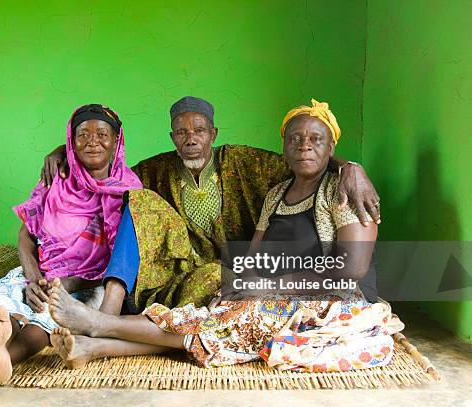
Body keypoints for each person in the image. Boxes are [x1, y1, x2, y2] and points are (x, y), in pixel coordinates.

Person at [44, 99, 403, 373]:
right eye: (295, 139)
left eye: (199, 130)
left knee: (229, 319)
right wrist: (67, 153)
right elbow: (110, 174)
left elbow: (351, 268)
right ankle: (100, 334)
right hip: (261, 287)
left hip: (328, 296)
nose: (304, 146)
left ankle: (100, 329)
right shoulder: (277, 192)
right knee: (217, 313)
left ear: (213, 134)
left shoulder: (337, 189)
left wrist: (352, 167)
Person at [0, 104, 142, 400]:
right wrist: (33, 278)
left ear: (116, 141)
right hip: (39, 274)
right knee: (6, 310)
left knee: (45, 323)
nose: (92, 141)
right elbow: (26, 234)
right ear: (71, 142)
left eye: (102, 134)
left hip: (89, 285)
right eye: (82, 135)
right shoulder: (56, 179)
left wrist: (68, 284)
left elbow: (123, 257)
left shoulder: (128, 190)